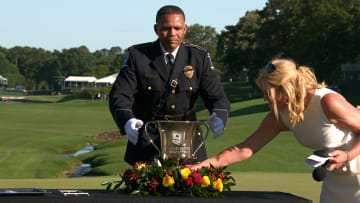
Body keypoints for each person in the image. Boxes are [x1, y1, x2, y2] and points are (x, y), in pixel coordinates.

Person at [190, 58, 360, 203]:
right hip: (333, 184)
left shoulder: (328, 102)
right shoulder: (280, 117)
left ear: (285, 90)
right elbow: (243, 150)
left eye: (267, 93)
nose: (265, 98)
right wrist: (198, 168)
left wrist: (347, 155)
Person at [109, 5, 230, 166]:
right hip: (148, 138)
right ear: (156, 29)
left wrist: (219, 115)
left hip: (188, 140)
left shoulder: (198, 57)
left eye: (177, 28)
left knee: (191, 189)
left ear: (185, 29)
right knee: (147, 190)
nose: (172, 33)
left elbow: (217, 96)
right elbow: (120, 95)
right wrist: (127, 120)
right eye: (166, 28)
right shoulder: (137, 56)